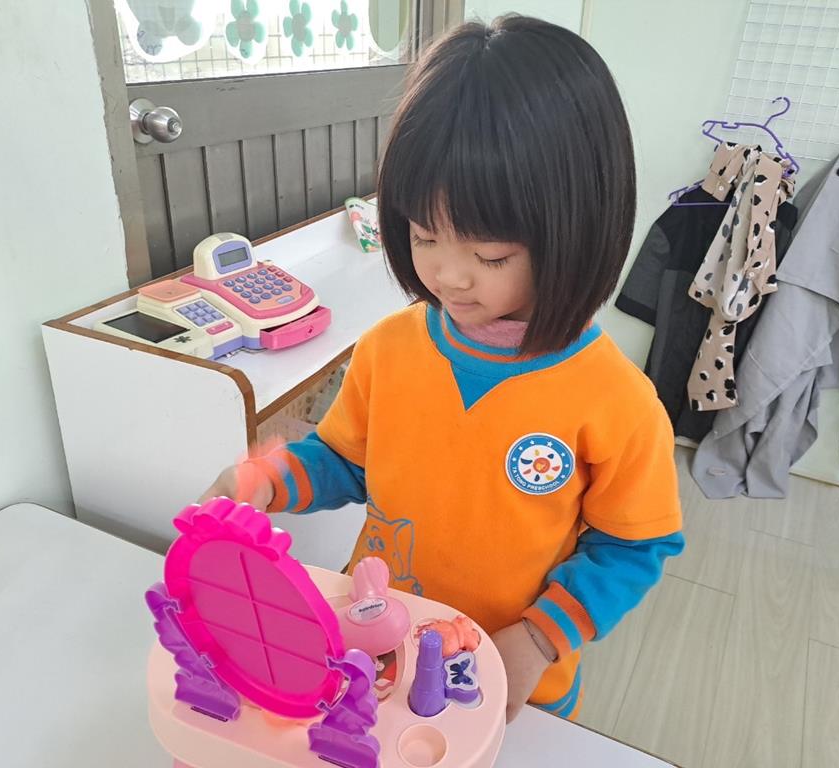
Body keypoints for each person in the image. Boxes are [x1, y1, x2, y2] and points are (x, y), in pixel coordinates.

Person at [202, 15, 684, 722]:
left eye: (490, 255)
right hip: (377, 649)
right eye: (425, 237)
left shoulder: (616, 400)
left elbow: (634, 547)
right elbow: (346, 461)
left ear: (577, 230)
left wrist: (538, 640)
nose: (449, 276)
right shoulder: (389, 348)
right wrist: (267, 480)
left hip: (506, 676)